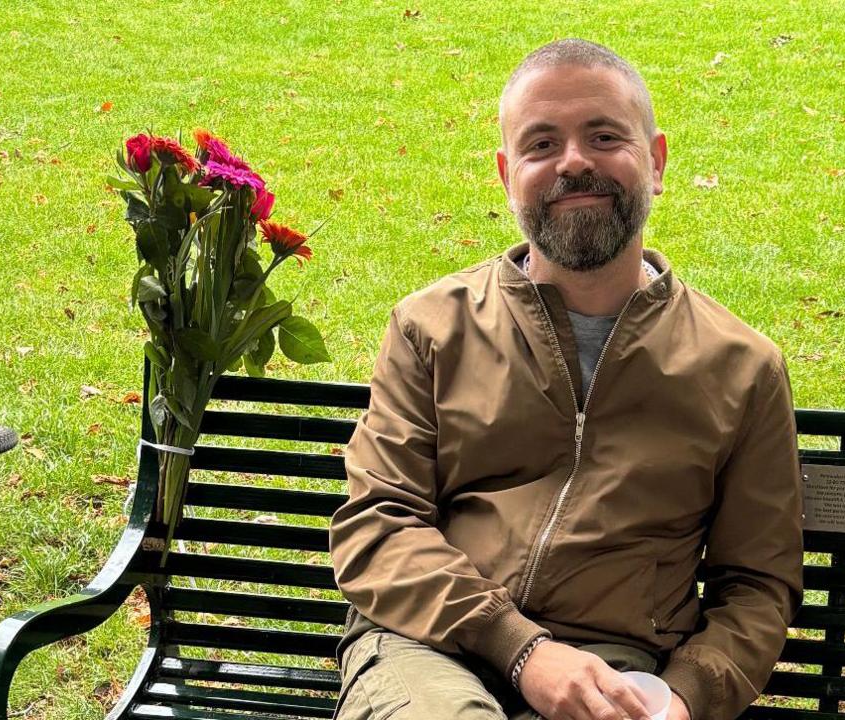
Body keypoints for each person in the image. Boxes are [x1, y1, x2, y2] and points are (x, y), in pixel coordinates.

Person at [329, 38, 803, 720]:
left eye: (604, 136)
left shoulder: (739, 367)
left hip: (617, 670)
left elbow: (758, 583)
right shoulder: (431, 328)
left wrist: (685, 698)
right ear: (506, 174)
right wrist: (522, 650)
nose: (574, 162)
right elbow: (378, 525)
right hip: (426, 646)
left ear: (657, 160)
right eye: (541, 144)